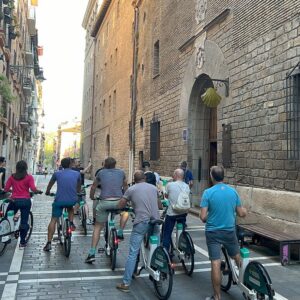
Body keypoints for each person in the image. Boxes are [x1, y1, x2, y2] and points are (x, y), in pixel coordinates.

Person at [200, 165, 247, 300]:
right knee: (237, 257)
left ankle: (217, 296)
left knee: (215, 263)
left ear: (211, 176)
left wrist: (212, 214)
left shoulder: (208, 193)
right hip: (229, 231)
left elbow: (203, 217)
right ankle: (248, 282)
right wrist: (245, 211)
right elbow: (241, 212)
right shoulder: (233, 192)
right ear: (223, 176)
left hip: (213, 232)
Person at [116, 170, 162, 293]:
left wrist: (120, 205)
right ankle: (157, 268)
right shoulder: (153, 188)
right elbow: (159, 205)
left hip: (141, 221)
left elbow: (121, 204)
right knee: (156, 247)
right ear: (145, 179)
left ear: (134, 180)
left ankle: (125, 283)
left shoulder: (131, 189)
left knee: (132, 252)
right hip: (155, 220)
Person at [85, 157, 129, 263]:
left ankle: (92, 253)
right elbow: (126, 187)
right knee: (126, 212)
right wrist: (126, 198)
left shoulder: (101, 173)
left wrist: (92, 197)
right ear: (115, 164)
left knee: (98, 227)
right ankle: (120, 231)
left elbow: (93, 187)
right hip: (119, 202)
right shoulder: (121, 172)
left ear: (104, 164)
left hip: (104, 202)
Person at [43, 157, 81, 251]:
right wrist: (77, 193)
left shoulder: (57, 173)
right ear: (70, 164)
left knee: (53, 220)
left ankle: (48, 243)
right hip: (72, 200)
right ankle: (71, 223)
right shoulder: (77, 173)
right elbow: (78, 187)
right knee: (70, 208)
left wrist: (47, 191)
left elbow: (50, 184)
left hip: (59, 200)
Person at [4, 160, 42, 249]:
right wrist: (38, 191)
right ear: (26, 168)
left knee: (7, 217)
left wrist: (10, 191)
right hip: (25, 201)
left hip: (14, 201)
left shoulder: (12, 177)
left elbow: (6, 188)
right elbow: (33, 188)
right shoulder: (29, 177)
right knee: (24, 221)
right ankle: (22, 242)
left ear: (16, 168)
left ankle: (6, 235)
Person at [162, 168, 190, 256]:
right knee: (181, 231)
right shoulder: (187, 186)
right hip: (183, 212)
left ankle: (165, 253)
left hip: (172, 213)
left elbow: (166, 196)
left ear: (176, 175)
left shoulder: (170, 185)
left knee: (167, 233)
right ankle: (183, 246)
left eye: (174, 174)